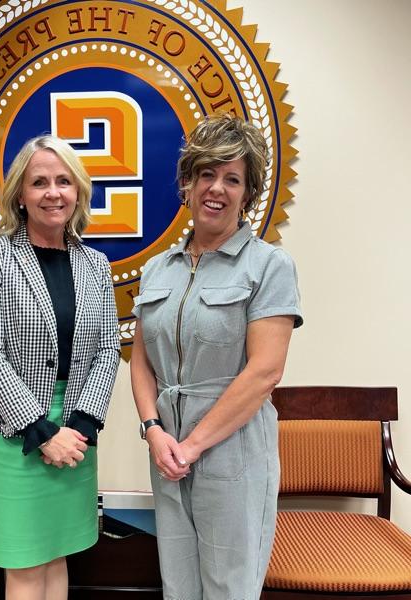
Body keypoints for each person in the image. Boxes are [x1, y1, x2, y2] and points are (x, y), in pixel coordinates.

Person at [130, 114, 302, 600]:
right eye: (207, 174)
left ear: (248, 194)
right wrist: (154, 431)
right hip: (167, 450)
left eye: (233, 179)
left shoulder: (269, 265)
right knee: (178, 585)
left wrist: (194, 445)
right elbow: (141, 362)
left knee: (229, 589)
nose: (217, 189)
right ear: (187, 183)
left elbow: (265, 371)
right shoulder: (156, 269)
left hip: (234, 452)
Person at [0, 135, 120, 600]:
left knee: (57, 553)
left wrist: (79, 425)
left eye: (63, 181)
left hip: (76, 428)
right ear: (20, 195)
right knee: (25, 562)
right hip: (14, 431)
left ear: (78, 191)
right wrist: (42, 430)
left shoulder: (96, 264)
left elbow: (108, 348)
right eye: (39, 182)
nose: (53, 192)